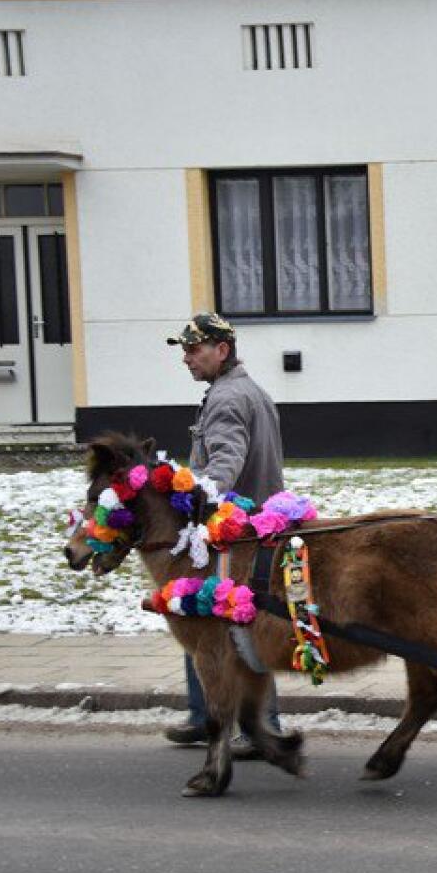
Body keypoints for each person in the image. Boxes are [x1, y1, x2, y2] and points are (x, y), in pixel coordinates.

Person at [161, 312, 286, 753]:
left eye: (193, 349)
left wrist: (192, 500)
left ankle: (259, 726)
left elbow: (224, 465)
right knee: (200, 617)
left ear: (222, 350)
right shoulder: (247, 389)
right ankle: (206, 716)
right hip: (255, 528)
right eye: (184, 350)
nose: (186, 358)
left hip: (235, 535)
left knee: (232, 626)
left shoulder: (228, 398)